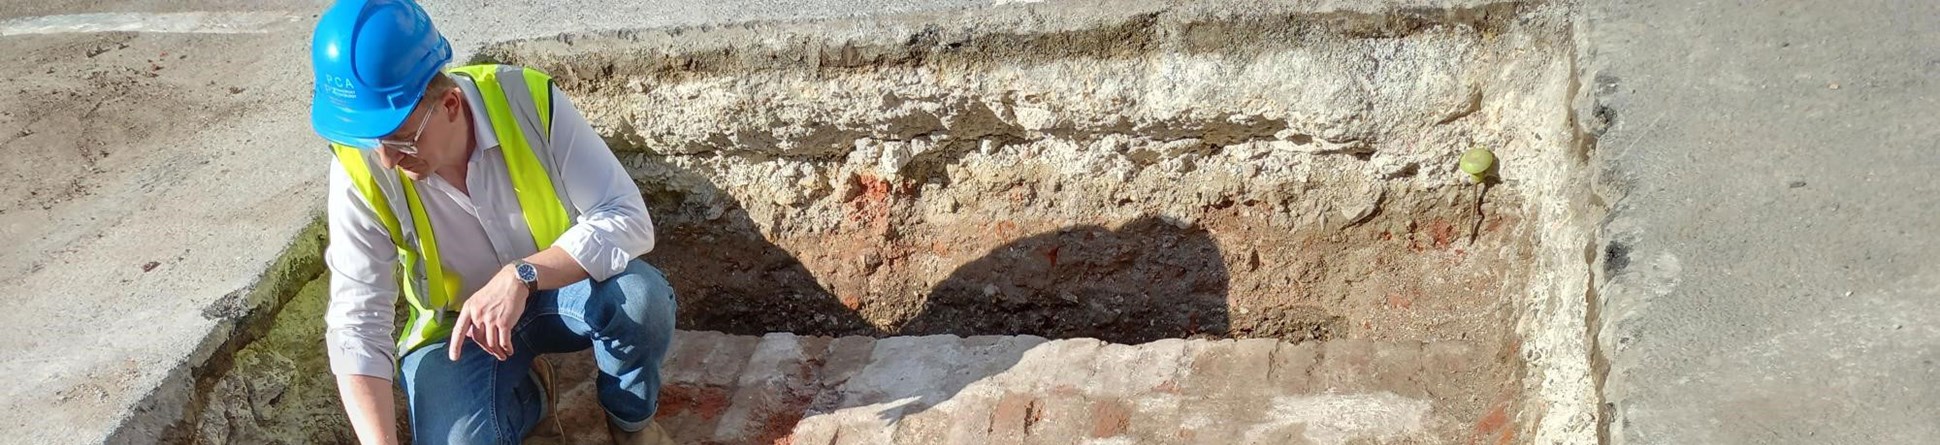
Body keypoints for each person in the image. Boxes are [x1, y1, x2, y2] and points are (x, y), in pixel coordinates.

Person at [309, 1, 676, 443]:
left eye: (400, 139)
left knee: (639, 299)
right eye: (372, 140)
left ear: (449, 104)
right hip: (457, 329)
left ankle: (630, 424)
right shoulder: (361, 166)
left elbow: (627, 217)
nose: (385, 159)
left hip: (560, 291)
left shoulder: (526, 101)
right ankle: (528, 397)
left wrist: (522, 276)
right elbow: (357, 321)